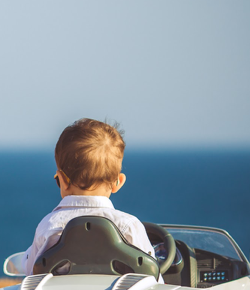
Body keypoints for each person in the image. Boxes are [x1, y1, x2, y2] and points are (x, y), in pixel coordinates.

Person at [23, 118, 153, 275]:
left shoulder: (49, 226)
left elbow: (32, 275)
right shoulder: (129, 226)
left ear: (62, 180)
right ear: (118, 182)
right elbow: (151, 279)